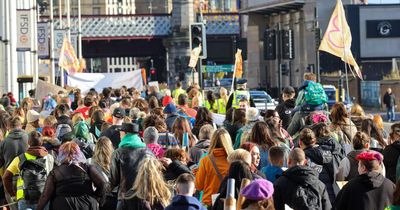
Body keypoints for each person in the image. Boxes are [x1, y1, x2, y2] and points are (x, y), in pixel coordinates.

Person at [36, 142, 107, 210]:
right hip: (86, 204)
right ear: (78, 153)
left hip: (62, 205)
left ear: (61, 154)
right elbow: (103, 183)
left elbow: (45, 196)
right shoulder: (87, 167)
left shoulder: (55, 172)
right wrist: (97, 198)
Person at [3, 131, 54, 210]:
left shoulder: (20, 159)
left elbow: (6, 177)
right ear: (41, 142)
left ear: (28, 142)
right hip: (44, 197)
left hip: (24, 198)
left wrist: (12, 195)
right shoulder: (49, 158)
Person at [110, 122, 154, 204]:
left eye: (121, 132)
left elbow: (113, 180)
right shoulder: (148, 152)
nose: (120, 135)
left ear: (125, 133)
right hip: (145, 198)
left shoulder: (118, 153)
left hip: (125, 199)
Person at [195, 128, 233, 207]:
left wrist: (196, 173)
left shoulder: (205, 160)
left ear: (213, 141)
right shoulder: (234, 161)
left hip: (209, 203)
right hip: (228, 204)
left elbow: (199, 186)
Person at [299, 128, 337, 203]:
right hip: (331, 193)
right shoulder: (327, 153)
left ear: (300, 142)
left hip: (315, 197)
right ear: (315, 140)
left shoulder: (303, 158)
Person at [90, 136, 117, 210]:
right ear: (110, 147)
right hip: (116, 198)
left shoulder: (92, 164)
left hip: (102, 199)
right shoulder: (116, 159)